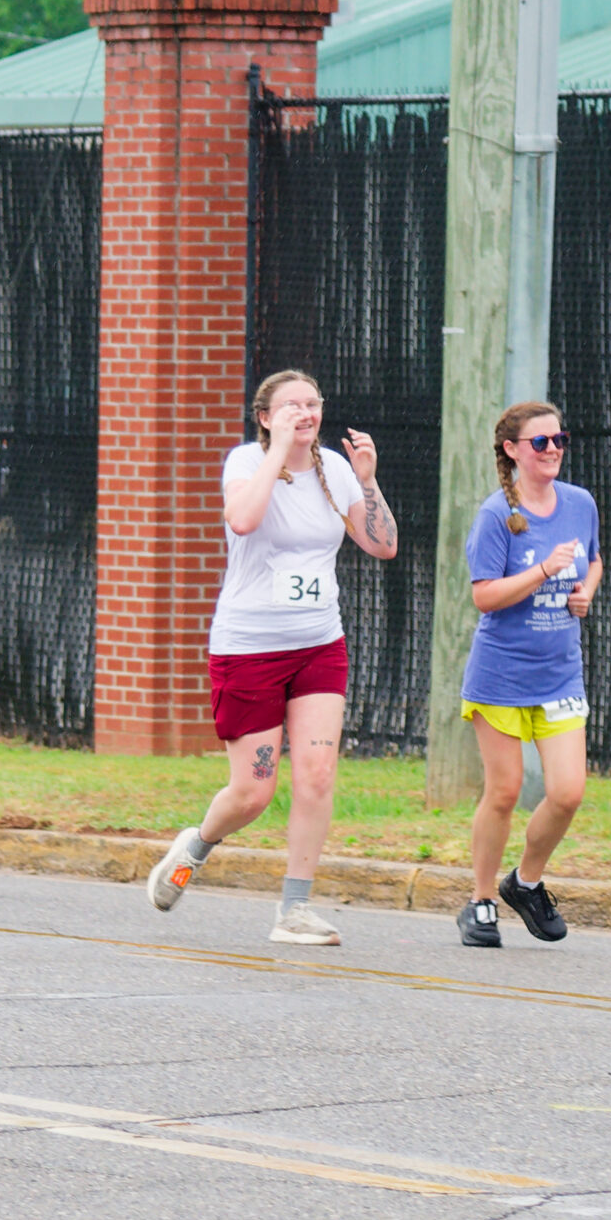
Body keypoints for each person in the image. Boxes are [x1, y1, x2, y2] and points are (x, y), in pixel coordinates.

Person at [146, 369, 399, 945]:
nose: (305, 414)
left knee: (317, 774)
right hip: (251, 648)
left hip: (318, 643)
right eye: (290, 407)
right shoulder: (245, 463)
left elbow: (382, 545)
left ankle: (295, 910)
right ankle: (198, 844)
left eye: (312, 404)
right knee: (254, 792)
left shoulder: (335, 470)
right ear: (265, 417)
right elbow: (243, 519)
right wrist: (278, 452)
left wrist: (368, 481)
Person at [456, 401, 603, 947]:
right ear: (513, 451)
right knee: (505, 790)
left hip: (559, 675)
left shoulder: (580, 503)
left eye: (559, 438)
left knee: (567, 792)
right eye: (540, 442)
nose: (553, 450)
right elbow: (484, 596)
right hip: (502, 677)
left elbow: (593, 560)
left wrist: (586, 590)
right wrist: (541, 570)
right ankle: (480, 900)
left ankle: (525, 882)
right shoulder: (498, 515)